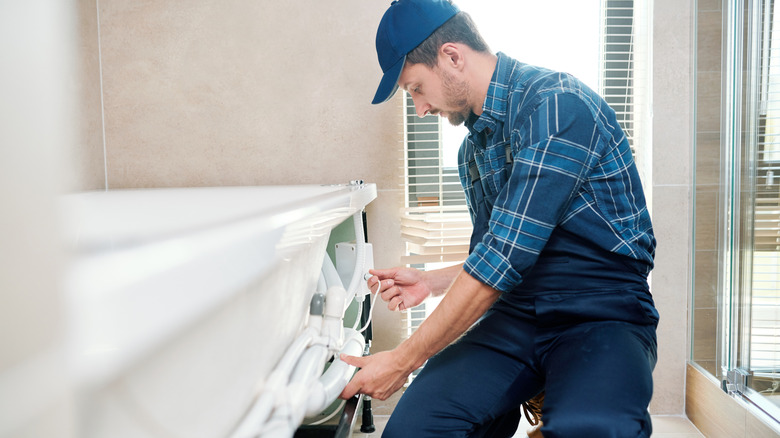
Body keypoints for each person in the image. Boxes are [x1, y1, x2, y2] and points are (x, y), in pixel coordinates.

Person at [339, 0, 659, 437]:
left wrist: (401, 360)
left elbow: (501, 261)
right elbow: (499, 257)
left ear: (452, 57)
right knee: (413, 430)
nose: (420, 108)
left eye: (415, 88)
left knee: (592, 429)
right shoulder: (474, 151)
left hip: (601, 312)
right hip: (516, 316)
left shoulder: (557, 107)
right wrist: (429, 281)